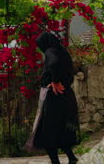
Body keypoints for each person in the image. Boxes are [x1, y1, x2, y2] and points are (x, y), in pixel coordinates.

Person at [24, 32, 80, 164]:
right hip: (66, 94)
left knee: (47, 130)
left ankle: (55, 161)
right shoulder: (63, 52)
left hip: (54, 97)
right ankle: (71, 157)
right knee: (62, 128)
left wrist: (54, 80)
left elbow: (54, 63)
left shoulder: (50, 52)